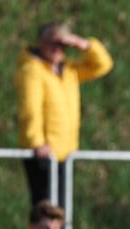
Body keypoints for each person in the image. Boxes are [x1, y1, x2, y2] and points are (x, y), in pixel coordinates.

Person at [15, 22, 113, 205]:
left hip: (65, 153)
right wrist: (36, 142)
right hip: (44, 153)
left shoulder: (69, 71)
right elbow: (30, 109)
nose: (57, 49)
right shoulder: (32, 71)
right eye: (53, 43)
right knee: (45, 211)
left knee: (61, 211)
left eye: (62, 45)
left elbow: (103, 65)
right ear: (40, 42)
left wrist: (83, 44)